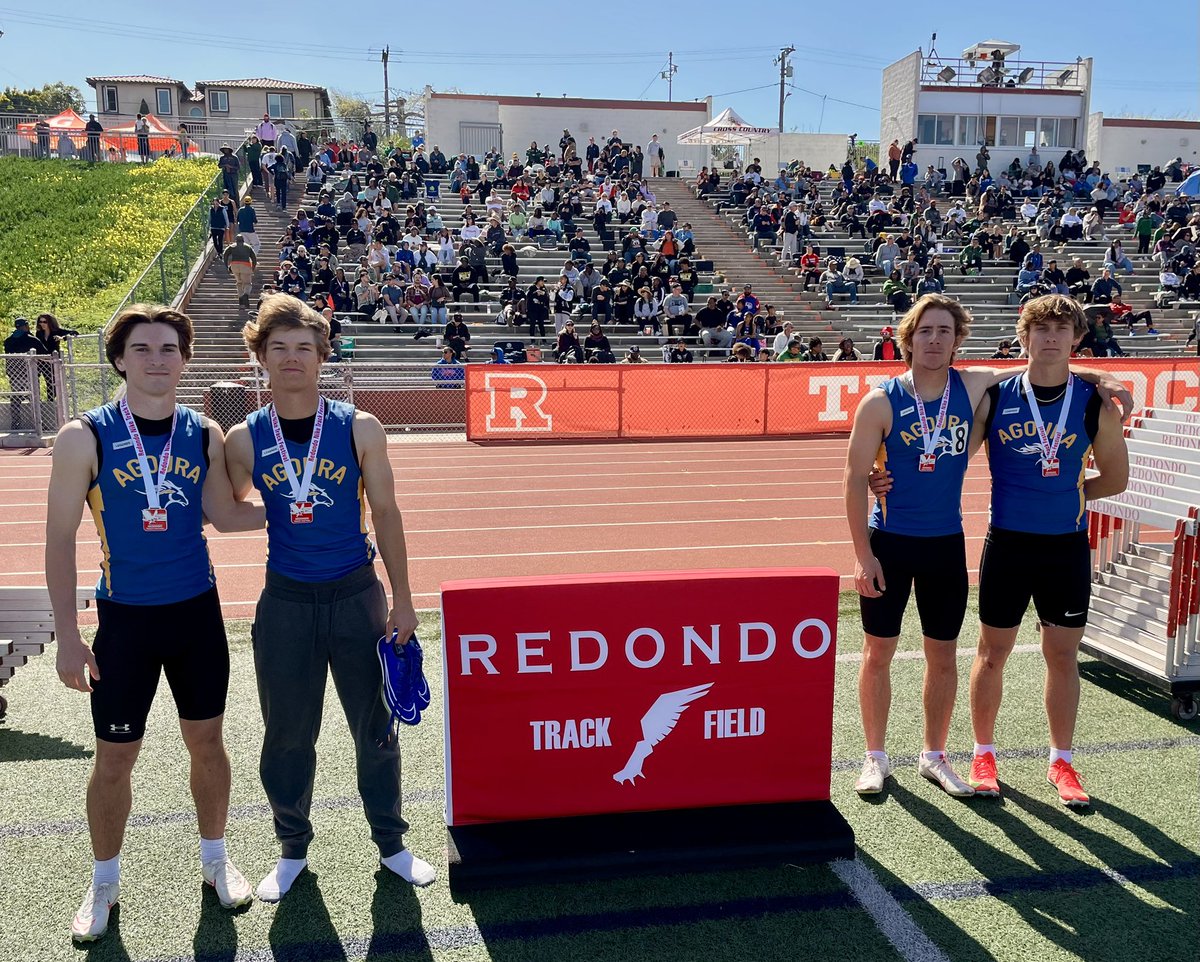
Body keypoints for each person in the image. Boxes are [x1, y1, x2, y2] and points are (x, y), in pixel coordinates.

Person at [844, 295, 1131, 799]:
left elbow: (1053, 366)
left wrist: (1101, 381)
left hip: (982, 545)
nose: (935, 340)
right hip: (921, 541)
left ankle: (957, 756)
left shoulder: (980, 386)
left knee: (960, 655)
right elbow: (857, 477)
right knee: (890, 652)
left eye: (945, 332)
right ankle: (901, 756)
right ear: (907, 337)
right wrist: (869, 518)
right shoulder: (911, 398)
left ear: (958, 340)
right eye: (925, 331)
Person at [46, 304, 263, 941]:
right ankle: (105, 879)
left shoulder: (202, 434)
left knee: (208, 743)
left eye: (169, 348)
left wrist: (304, 515)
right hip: (124, 620)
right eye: (142, 348)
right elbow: (59, 539)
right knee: (115, 757)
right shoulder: (83, 436)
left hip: (196, 613)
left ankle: (216, 861)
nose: (156, 359)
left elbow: (225, 515)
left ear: (185, 359)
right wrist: (67, 635)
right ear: (119, 359)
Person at [224, 296, 434, 901]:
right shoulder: (245, 439)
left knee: (375, 727)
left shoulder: (359, 426)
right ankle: (291, 848)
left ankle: (392, 843)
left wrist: (402, 600)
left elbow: (388, 514)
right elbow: (227, 506)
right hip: (285, 600)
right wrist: (281, 506)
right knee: (287, 732)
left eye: (304, 349)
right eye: (279, 348)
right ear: (260, 357)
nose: (291, 359)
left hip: (356, 595)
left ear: (322, 357)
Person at [968, 295, 1128, 807]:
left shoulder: (1092, 401)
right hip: (1008, 544)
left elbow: (1117, 478)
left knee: (1062, 656)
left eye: (1063, 329)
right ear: (1024, 337)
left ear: (1077, 339)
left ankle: (1062, 761)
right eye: (1041, 328)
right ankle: (983, 753)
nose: (1052, 337)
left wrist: (1073, 496)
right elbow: (953, 458)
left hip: (1065, 548)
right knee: (992, 654)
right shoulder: (995, 395)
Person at [4, 316, 48, 429]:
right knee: (34, 398)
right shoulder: (32, 340)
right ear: (26, 326)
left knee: (16, 398)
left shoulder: (8, 341)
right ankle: (38, 424)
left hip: (15, 375)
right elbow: (44, 354)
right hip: (30, 374)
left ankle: (16, 424)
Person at [223, 234, 258, 307]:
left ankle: (240, 298)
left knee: (239, 282)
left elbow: (225, 254)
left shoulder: (232, 246)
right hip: (245, 265)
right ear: (243, 240)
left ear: (236, 240)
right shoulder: (248, 247)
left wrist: (227, 266)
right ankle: (246, 295)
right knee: (247, 283)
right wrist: (253, 268)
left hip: (234, 265)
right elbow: (254, 258)